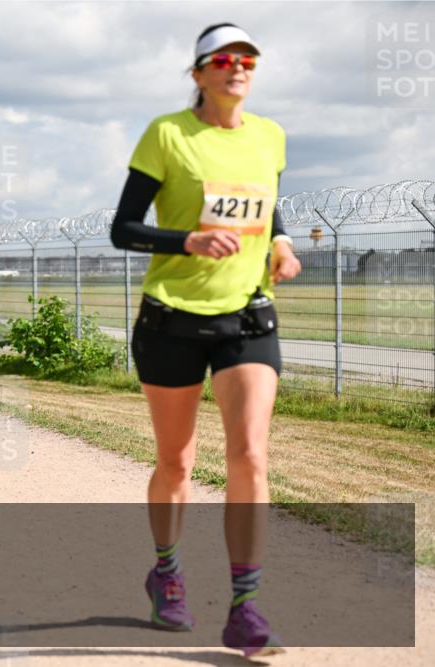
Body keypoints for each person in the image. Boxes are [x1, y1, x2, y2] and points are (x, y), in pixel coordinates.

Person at [110, 23, 301, 659]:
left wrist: (281, 242)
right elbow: (124, 228)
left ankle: (246, 607)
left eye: (247, 58)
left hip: (248, 315)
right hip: (172, 317)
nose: (237, 67)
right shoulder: (168, 134)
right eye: (222, 59)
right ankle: (166, 573)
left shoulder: (269, 136)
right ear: (198, 73)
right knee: (177, 462)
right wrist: (186, 241)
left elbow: (266, 202)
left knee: (250, 454)